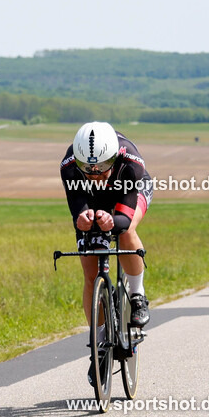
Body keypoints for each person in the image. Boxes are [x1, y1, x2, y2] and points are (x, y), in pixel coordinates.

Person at [61, 122, 153, 386]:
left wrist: (113, 221)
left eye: (102, 168)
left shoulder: (131, 163)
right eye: (88, 169)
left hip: (128, 193)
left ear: (113, 158)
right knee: (91, 273)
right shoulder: (69, 166)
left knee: (126, 231)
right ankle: (99, 345)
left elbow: (124, 218)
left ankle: (137, 296)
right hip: (93, 200)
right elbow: (78, 208)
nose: (95, 175)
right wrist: (83, 219)